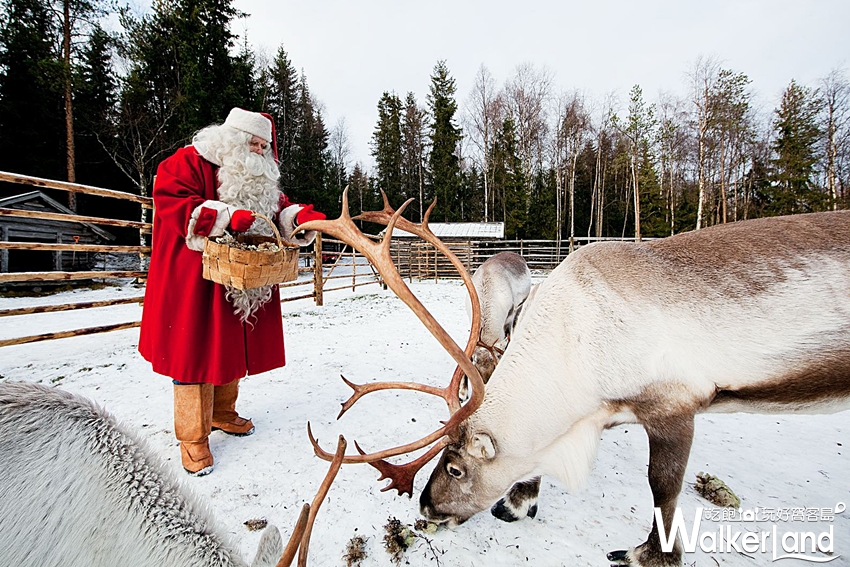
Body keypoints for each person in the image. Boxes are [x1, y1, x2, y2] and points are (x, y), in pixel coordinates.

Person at [139, 108, 325, 476]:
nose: (258, 151)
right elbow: (173, 202)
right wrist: (223, 217)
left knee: (229, 345)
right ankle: (192, 437)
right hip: (194, 279)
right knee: (192, 353)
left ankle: (222, 413)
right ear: (232, 139)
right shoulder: (187, 163)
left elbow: (276, 208)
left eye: (264, 146)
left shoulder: (258, 176)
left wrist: (296, 216)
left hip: (240, 277)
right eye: (253, 143)